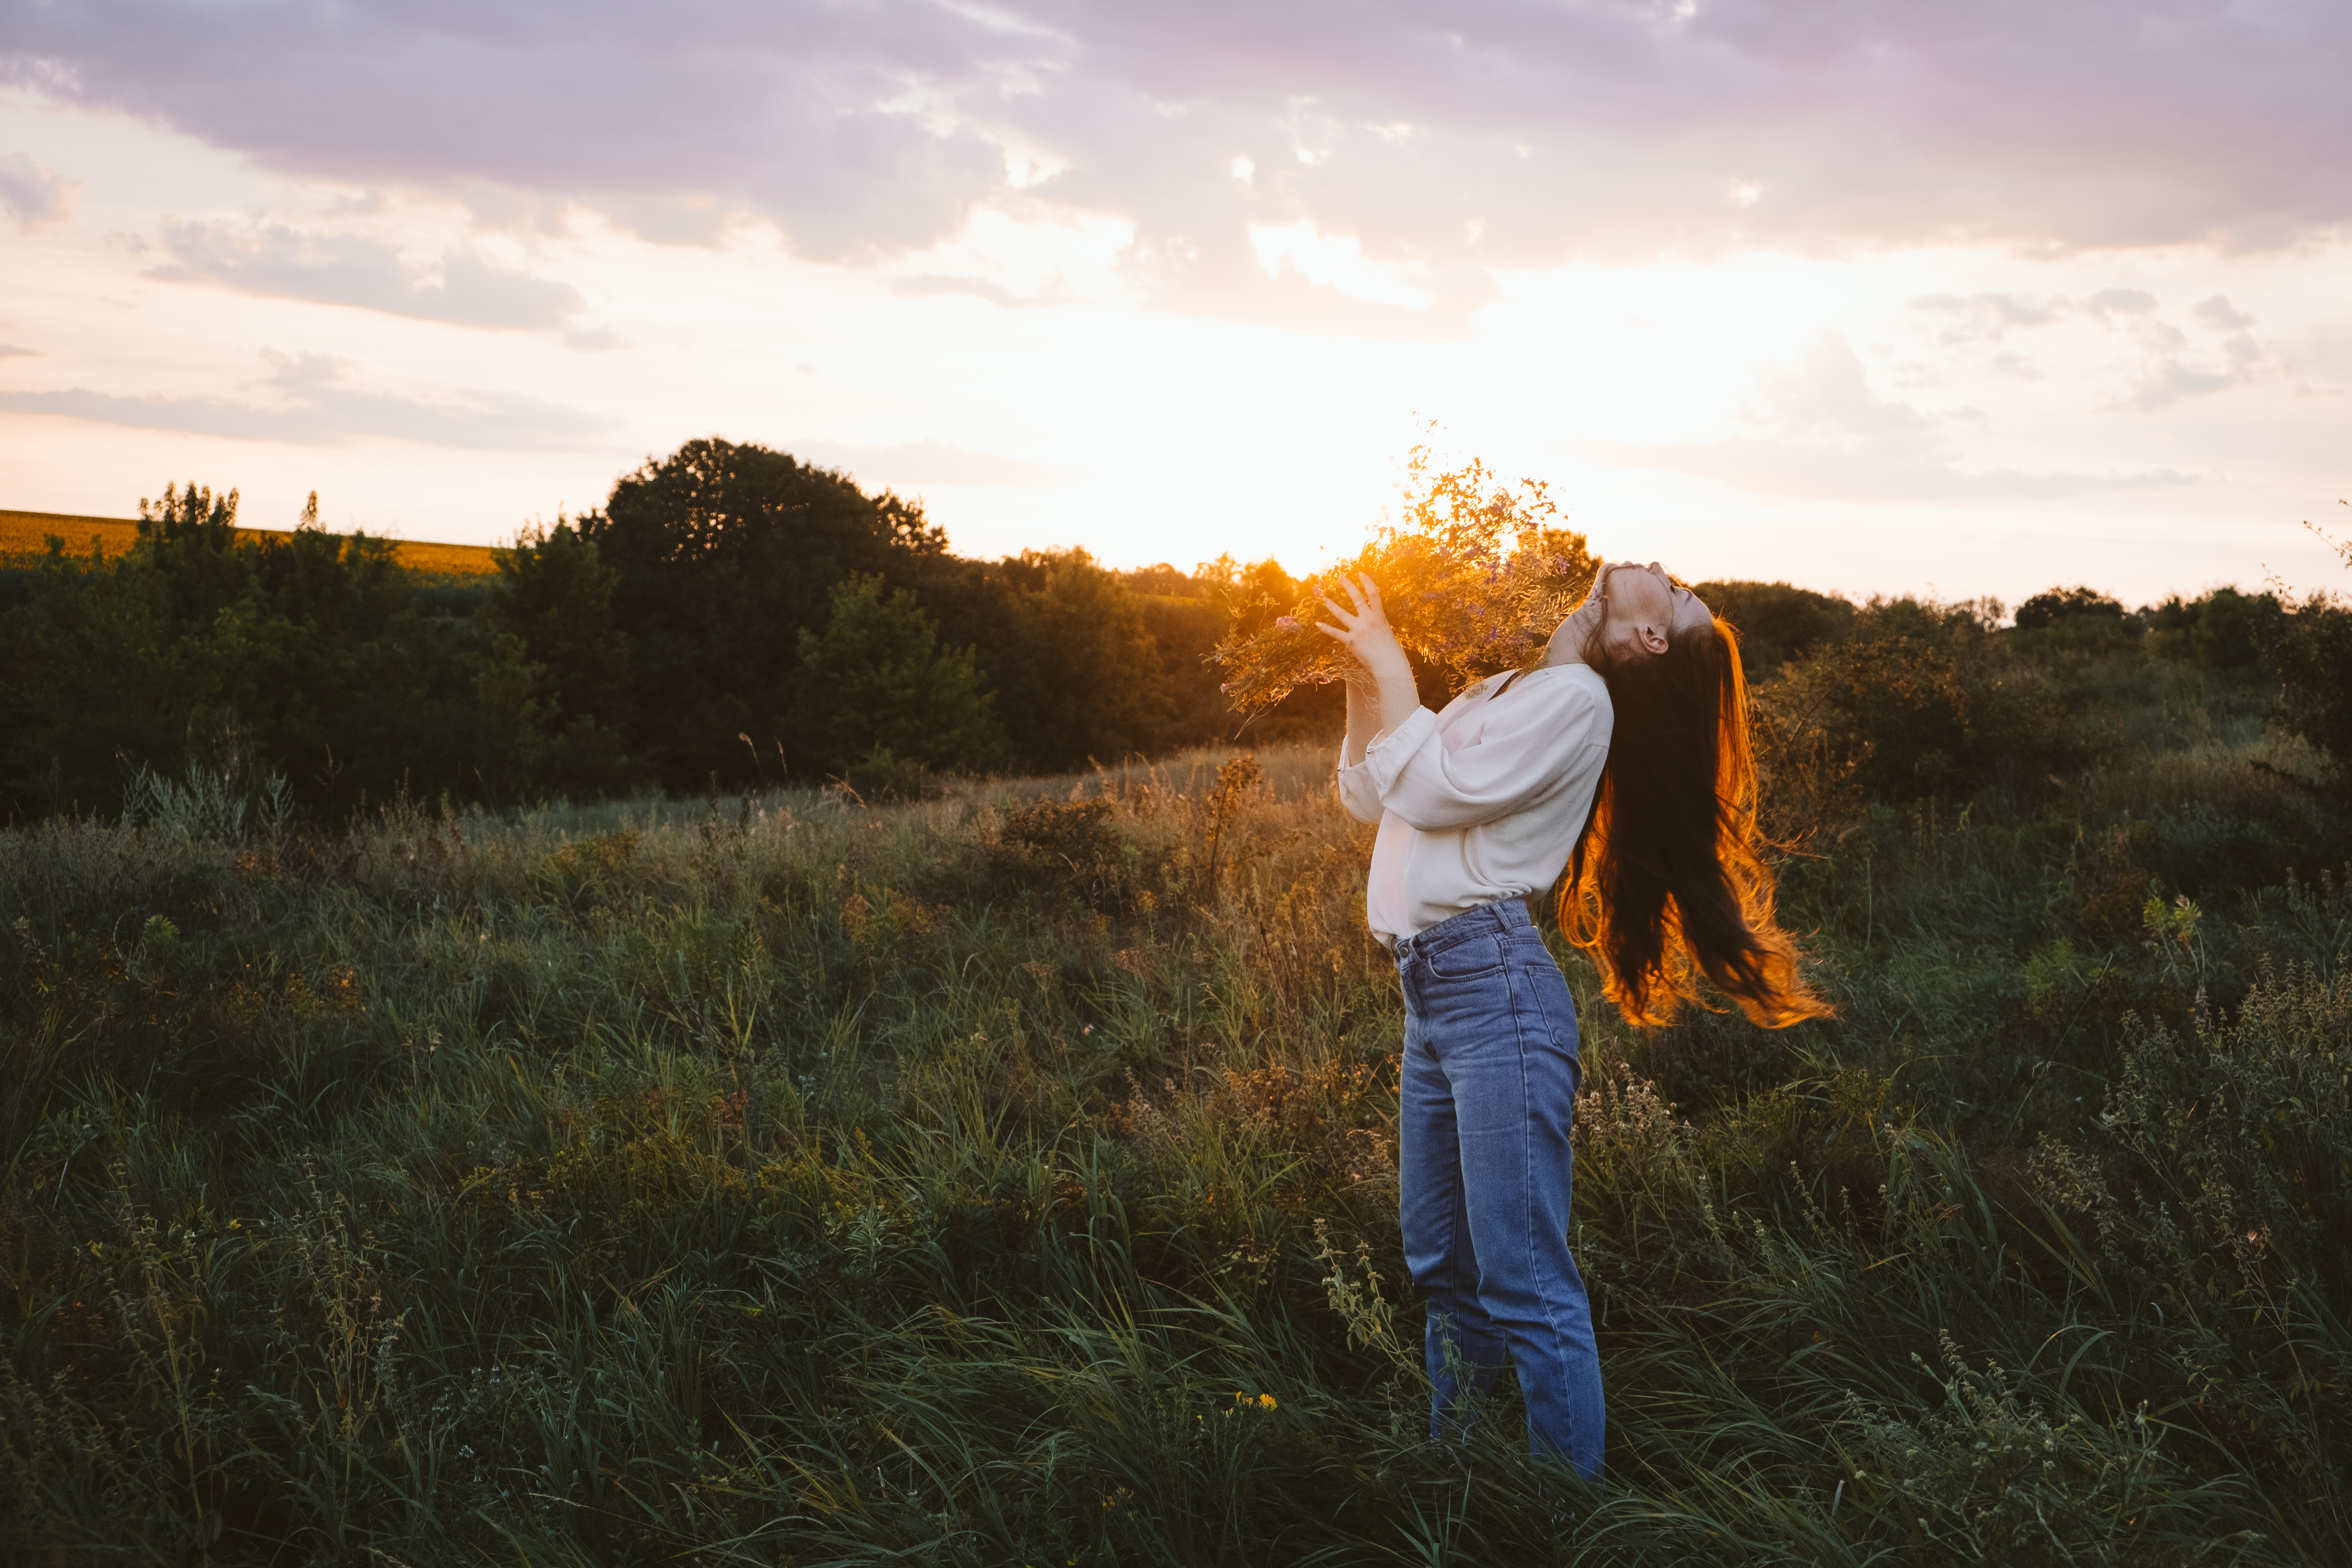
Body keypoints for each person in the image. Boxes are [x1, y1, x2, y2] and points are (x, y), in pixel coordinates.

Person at [1317, 561, 1829, 1481]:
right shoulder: (1520, 688)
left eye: (1674, 594)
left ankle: (1561, 1519)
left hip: (1492, 993)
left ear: (1649, 639)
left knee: (1521, 1281)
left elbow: (1425, 791)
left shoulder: (1584, 701)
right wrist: (1364, 680)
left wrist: (1392, 664)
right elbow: (1374, 793)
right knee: (1444, 1269)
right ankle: (1463, 1483)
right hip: (1431, 992)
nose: (1661, 577)